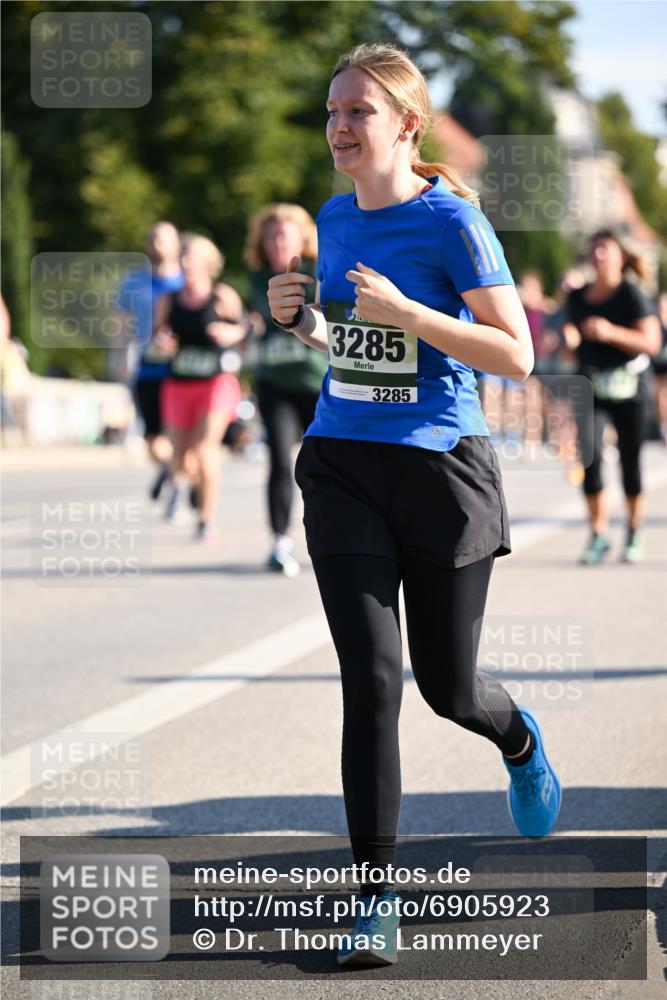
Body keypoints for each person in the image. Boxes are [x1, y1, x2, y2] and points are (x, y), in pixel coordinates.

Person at [267, 42, 562, 968]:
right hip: (344, 461)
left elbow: (513, 355)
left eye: (358, 111)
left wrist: (412, 314)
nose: (339, 128)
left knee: (446, 688)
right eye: (331, 111)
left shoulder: (452, 224)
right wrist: (300, 321)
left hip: (440, 468)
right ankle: (375, 899)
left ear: (406, 124)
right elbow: (348, 341)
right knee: (371, 682)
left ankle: (516, 738)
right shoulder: (332, 216)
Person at [563, 231, 661, 564]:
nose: (599, 255)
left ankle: (633, 530)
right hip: (590, 387)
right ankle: (599, 534)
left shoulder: (632, 294)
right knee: (590, 462)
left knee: (630, 463)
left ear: (620, 257)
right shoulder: (577, 297)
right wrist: (567, 340)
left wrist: (610, 332)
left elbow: (652, 343)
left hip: (630, 388)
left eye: (606, 249)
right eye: (595, 249)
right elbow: (569, 339)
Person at [245, 204, 328, 576]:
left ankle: (334, 538)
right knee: (280, 460)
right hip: (275, 383)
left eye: (284, 233)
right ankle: (279, 541)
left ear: (301, 238)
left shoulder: (318, 273)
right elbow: (245, 324)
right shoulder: (254, 279)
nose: (277, 240)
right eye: (271, 234)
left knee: (326, 463)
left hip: (316, 383)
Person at [156, 234, 247, 541]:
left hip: (216, 383)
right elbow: (156, 339)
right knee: (180, 456)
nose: (185, 261)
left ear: (208, 262)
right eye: (182, 255)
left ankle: (206, 520)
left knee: (206, 447)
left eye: (191, 255)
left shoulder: (222, 296)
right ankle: (186, 488)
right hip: (179, 384)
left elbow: (249, 330)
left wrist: (231, 332)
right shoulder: (169, 300)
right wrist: (162, 343)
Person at [117, 221, 184, 500]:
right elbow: (120, 324)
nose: (158, 244)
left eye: (164, 239)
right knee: (153, 440)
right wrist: (120, 357)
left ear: (177, 244)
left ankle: (176, 481)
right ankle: (173, 474)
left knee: (181, 437)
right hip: (148, 369)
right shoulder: (134, 282)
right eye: (154, 238)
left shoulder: (187, 282)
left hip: (184, 371)